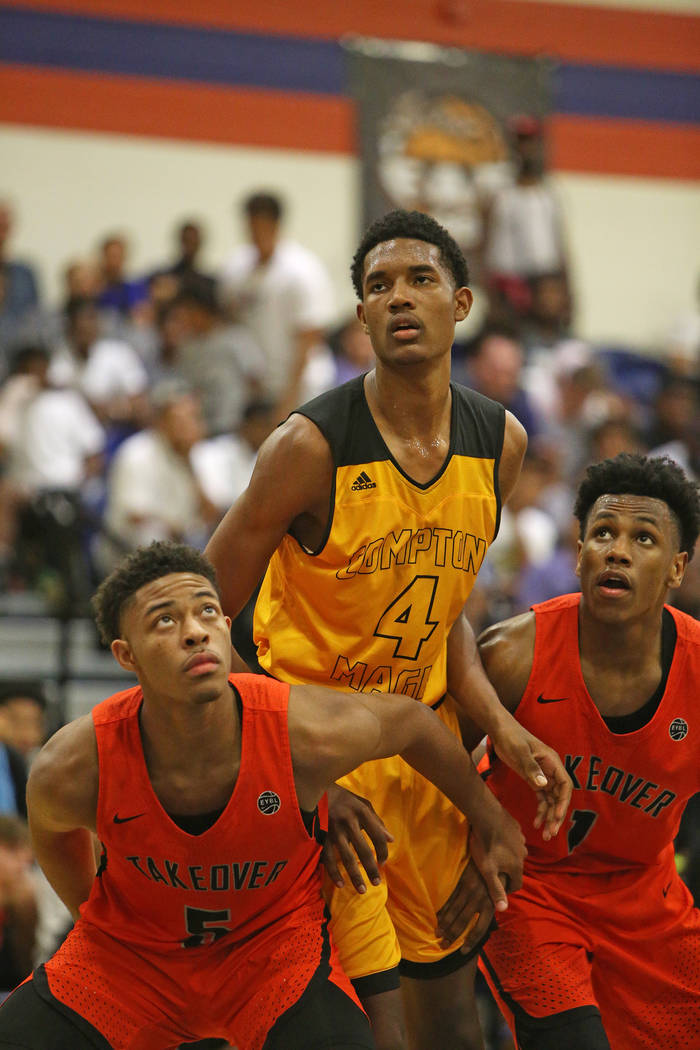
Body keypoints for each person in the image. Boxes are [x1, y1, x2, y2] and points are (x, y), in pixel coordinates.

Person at [206, 208, 572, 1050]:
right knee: (353, 1028)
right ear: (360, 316)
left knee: (451, 1025)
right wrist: (288, 763)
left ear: (463, 303)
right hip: (310, 746)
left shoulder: (500, 443)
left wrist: (503, 736)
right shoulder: (306, 447)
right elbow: (201, 616)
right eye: (378, 286)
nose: (399, 297)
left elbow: (444, 615)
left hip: (424, 753)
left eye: (420, 280)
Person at [0, 540, 529, 1049]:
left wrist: (493, 821)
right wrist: (94, 914)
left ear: (228, 629)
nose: (194, 633)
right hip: (132, 962)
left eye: (207, 613)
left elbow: (414, 723)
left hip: (271, 961)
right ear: (125, 654)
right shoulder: (75, 763)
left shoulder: (301, 731)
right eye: (165, 620)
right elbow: (50, 829)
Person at [473, 453, 700, 1049]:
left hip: (643, 895)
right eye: (602, 533)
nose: (616, 550)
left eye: (642, 538)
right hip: (531, 886)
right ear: (578, 554)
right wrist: (475, 830)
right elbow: (430, 753)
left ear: (678, 568)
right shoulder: (511, 655)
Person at [219, 191, 336, 421]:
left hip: (303, 387)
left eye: (262, 224)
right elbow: (230, 321)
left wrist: (288, 402)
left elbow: (309, 337)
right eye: (251, 224)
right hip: (258, 387)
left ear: (276, 224)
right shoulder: (236, 268)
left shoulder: (302, 270)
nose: (255, 232)